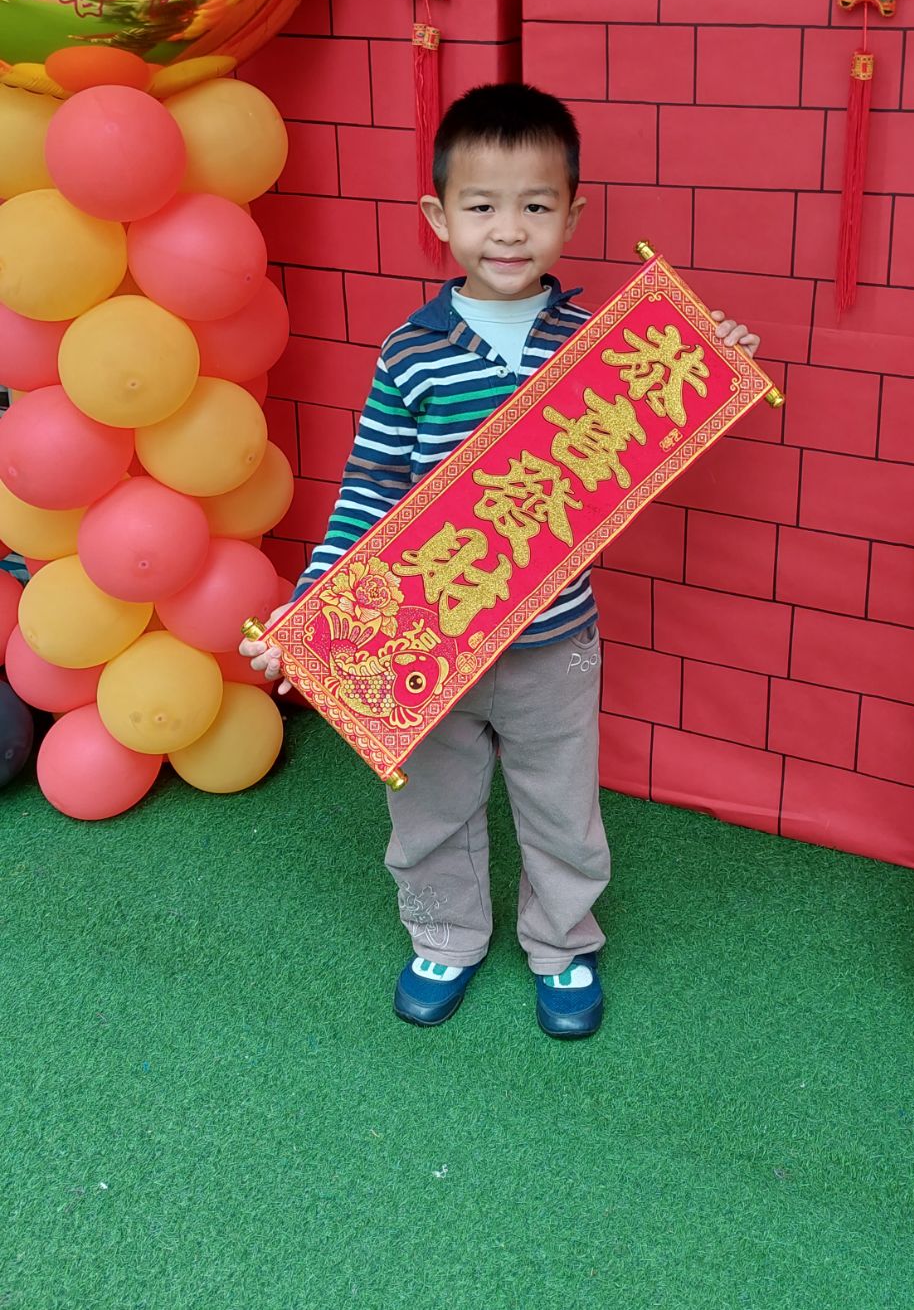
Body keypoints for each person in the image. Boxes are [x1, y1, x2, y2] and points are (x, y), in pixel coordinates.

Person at [240, 83, 761, 1037]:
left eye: (536, 205)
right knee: (431, 806)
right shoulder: (411, 353)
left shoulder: (604, 346)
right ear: (439, 216)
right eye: (482, 206)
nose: (510, 230)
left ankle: (563, 943)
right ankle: (444, 932)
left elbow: (654, 420)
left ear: (574, 215)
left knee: (561, 806)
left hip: (554, 643)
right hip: (429, 646)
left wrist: (706, 354)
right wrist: (308, 612)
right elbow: (367, 491)